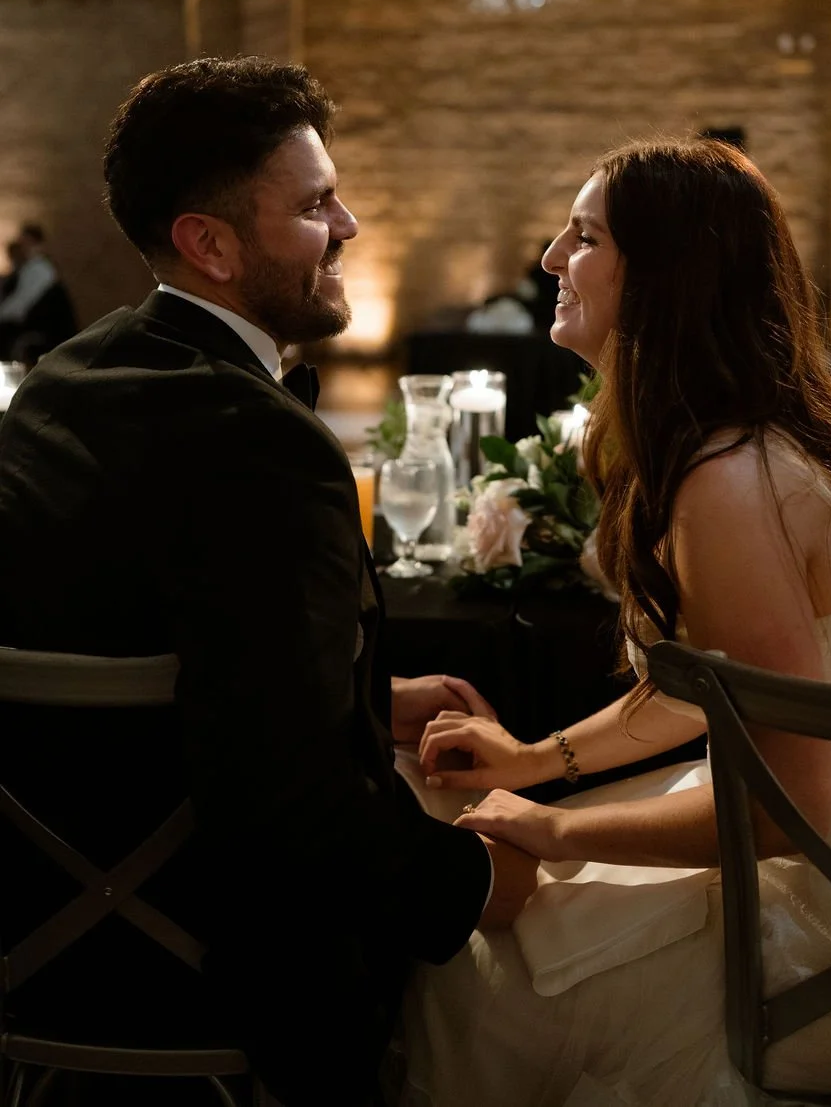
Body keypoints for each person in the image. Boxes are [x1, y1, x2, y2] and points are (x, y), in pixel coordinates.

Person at [400, 138, 831, 1106]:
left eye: (584, 235)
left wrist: (559, 835)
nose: (550, 259)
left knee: (472, 971)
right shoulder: (703, 451)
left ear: (664, 276)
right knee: (488, 874)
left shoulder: (730, 486)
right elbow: (711, 691)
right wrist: (537, 761)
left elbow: (787, 810)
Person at [0, 56, 536, 1106]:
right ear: (209, 243)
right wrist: (469, 886)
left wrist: (365, 704)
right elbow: (286, 796)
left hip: (34, 929)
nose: (350, 226)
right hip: (211, 963)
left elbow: (134, 658)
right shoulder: (264, 446)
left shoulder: (67, 381)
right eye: (316, 204)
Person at [0, 223, 76, 361]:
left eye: (25, 242)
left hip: (47, 337)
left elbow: (19, 307)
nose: (23, 247)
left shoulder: (40, 269)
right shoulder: (31, 268)